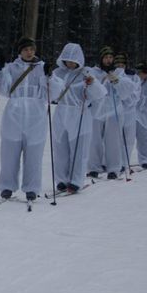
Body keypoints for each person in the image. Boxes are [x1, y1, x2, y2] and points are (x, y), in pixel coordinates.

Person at [0, 36, 49, 201]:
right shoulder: (12, 68)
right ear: (20, 51)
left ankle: (31, 187)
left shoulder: (42, 67)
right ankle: (7, 186)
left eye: (32, 49)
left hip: (36, 114)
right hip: (14, 113)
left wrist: (50, 76)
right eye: (26, 49)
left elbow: (51, 93)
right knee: (9, 152)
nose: (29, 52)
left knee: (34, 153)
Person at [48, 43, 106, 192]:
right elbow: (50, 91)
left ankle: (76, 180)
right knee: (60, 148)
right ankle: (61, 179)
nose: (70, 63)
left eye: (73, 60)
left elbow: (100, 93)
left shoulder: (86, 73)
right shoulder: (57, 73)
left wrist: (91, 83)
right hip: (61, 112)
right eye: (67, 59)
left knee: (79, 149)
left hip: (79, 112)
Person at [87, 46, 138, 179]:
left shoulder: (119, 72)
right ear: (101, 58)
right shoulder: (94, 71)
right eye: (106, 57)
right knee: (94, 139)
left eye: (110, 57)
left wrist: (116, 80)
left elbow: (127, 90)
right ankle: (94, 167)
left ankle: (114, 168)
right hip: (97, 108)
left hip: (113, 108)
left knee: (113, 139)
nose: (108, 60)